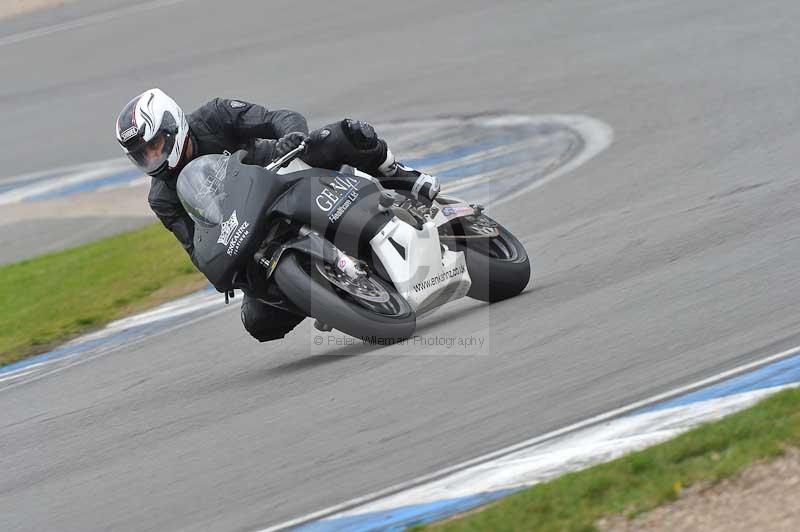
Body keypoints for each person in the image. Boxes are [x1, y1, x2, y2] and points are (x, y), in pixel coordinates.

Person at [114, 88, 440, 342]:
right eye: (142, 154)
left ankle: (396, 172)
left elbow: (278, 117)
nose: (151, 157)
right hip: (248, 228)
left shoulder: (214, 116)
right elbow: (196, 248)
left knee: (339, 135)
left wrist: (291, 137)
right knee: (258, 321)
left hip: (281, 173)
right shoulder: (163, 197)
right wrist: (226, 272)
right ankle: (328, 295)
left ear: (173, 126)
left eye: (154, 145)